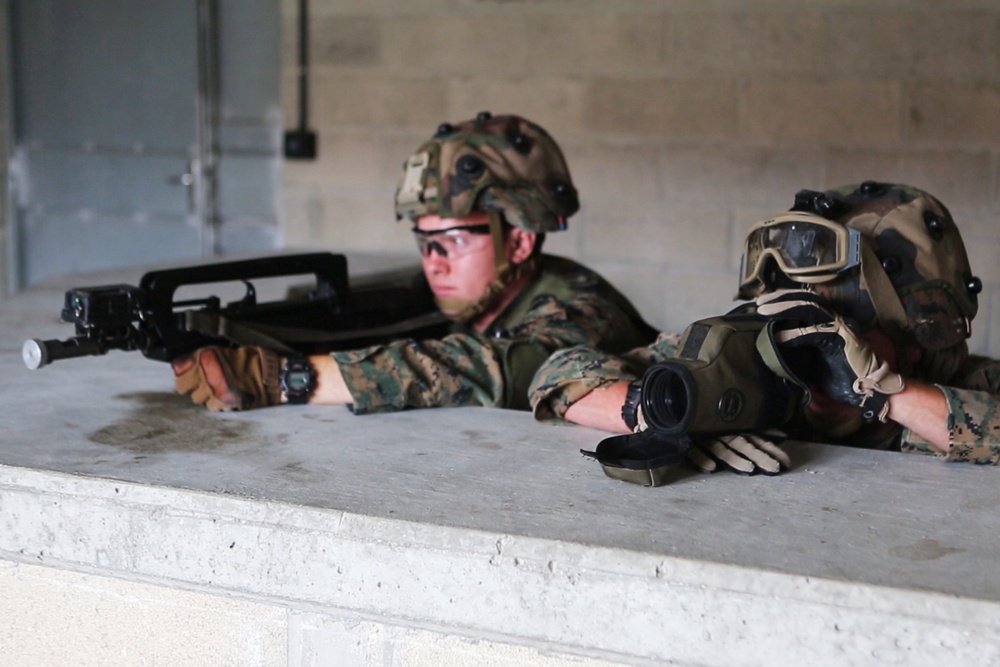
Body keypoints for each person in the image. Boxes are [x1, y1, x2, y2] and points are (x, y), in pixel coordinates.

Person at [173, 112, 657, 414]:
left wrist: (285, 378)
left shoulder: (583, 311)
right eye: (424, 243)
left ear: (521, 242)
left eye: (450, 241)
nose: (435, 264)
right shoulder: (474, 301)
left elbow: (491, 370)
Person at [529, 181, 1000, 474]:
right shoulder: (763, 362)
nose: (809, 363)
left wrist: (885, 394)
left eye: (839, 338)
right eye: (802, 331)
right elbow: (560, 374)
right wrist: (675, 415)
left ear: (917, 338)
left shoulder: (970, 388)